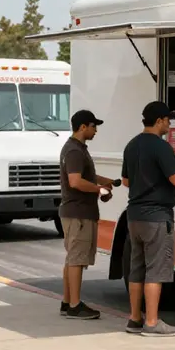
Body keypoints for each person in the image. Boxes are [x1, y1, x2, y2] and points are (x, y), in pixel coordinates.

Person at [121, 101, 175, 337]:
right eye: (168, 120)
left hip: (134, 216)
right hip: (157, 217)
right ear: (159, 121)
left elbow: (126, 182)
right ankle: (152, 322)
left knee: (136, 270)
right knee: (155, 270)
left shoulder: (131, 145)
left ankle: (134, 319)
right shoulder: (161, 147)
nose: (169, 125)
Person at [58, 109, 117, 320]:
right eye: (93, 126)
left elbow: (87, 176)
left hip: (77, 212)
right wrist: (99, 190)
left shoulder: (77, 149)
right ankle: (75, 305)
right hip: (78, 213)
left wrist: (104, 181)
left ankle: (67, 302)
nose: (96, 131)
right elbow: (75, 181)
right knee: (77, 259)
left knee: (72, 258)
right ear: (83, 127)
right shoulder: (74, 151)